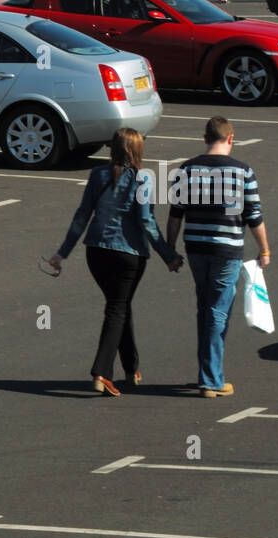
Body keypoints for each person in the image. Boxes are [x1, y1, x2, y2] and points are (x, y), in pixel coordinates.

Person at [48, 129, 183, 396]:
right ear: (137, 150)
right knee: (117, 309)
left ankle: (131, 368)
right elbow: (146, 221)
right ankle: (101, 371)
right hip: (128, 254)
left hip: (96, 252)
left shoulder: (98, 174)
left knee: (120, 306)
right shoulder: (143, 178)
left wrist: (62, 253)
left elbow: (82, 216)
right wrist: (168, 255)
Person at [166, 116, 270, 399]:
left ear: (204, 139)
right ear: (231, 138)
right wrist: (264, 249)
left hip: (196, 247)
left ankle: (208, 372)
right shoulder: (243, 172)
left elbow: (176, 214)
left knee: (206, 307)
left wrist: (169, 250)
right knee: (217, 311)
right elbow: (254, 216)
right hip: (227, 249)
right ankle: (211, 380)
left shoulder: (187, 169)